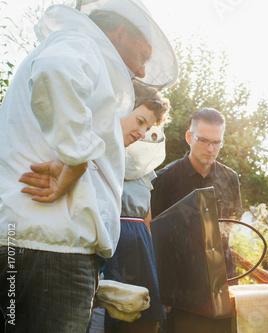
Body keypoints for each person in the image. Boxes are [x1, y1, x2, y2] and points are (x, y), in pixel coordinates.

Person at [0, 0, 177, 331]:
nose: (141, 71)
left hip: (32, 244)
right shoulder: (80, 43)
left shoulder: (75, 47)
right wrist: (75, 162)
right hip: (53, 250)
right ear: (121, 33)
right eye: (143, 56)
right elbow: (55, 70)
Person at [150, 108, 243, 330]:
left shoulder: (230, 178)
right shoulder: (164, 179)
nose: (211, 149)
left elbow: (230, 231)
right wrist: (164, 291)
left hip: (223, 282)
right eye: (204, 141)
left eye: (216, 142)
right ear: (189, 137)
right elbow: (155, 239)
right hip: (180, 290)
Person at [101, 82, 170, 332]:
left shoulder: (144, 171)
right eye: (140, 121)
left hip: (140, 248)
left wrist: (157, 271)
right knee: (111, 319)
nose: (142, 132)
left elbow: (148, 221)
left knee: (144, 322)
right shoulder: (100, 154)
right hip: (112, 247)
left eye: (148, 127)